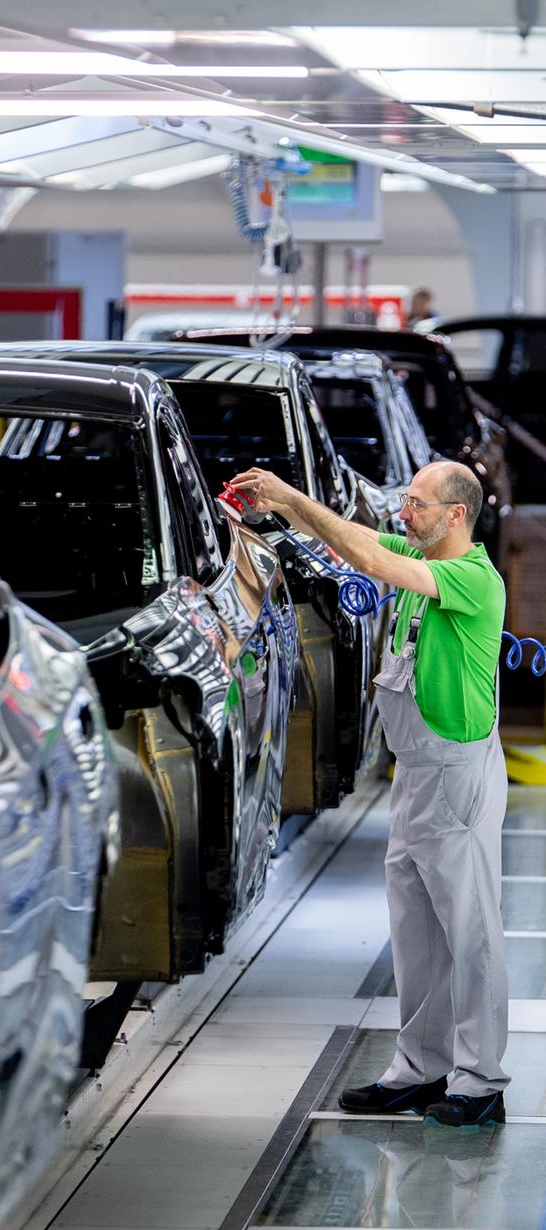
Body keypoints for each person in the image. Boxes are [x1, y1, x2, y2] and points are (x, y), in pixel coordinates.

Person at [228, 460, 508, 1129]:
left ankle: (481, 1079)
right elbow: (348, 541)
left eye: (416, 503)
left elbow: (369, 558)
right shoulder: (419, 551)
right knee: (416, 929)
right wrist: (279, 509)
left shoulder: (469, 577)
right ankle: (420, 1066)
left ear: (456, 515)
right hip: (417, 772)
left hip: (456, 775)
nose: (404, 512)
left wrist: (291, 493)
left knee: (470, 933)